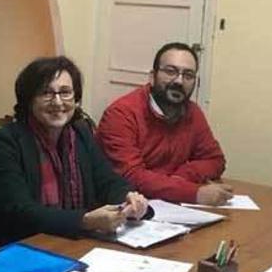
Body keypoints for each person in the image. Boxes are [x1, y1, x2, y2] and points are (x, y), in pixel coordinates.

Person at [0, 56, 149, 242]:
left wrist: (129, 197)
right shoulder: (6, 142)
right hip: (27, 245)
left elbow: (107, 180)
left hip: (75, 241)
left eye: (65, 93)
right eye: (46, 93)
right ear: (29, 100)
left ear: (76, 99)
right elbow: (18, 212)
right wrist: (84, 221)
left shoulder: (80, 133)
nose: (57, 102)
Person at [95, 42, 229, 205]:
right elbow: (131, 176)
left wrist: (182, 177)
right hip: (121, 207)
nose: (179, 81)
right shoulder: (121, 114)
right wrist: (193, 193)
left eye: (188, 75)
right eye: (170, 71)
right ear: (152, 76)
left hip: (169, 203)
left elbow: (215, 159)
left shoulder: (193, 112)